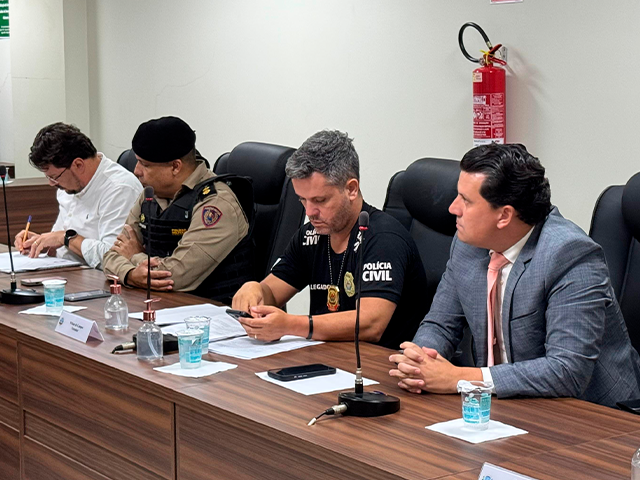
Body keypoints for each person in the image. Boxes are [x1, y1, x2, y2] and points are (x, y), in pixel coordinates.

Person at [389, 143, 640, 407]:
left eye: (466, 200)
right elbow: (440, 324)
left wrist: (458, 379)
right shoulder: (467, 245)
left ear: (504, 216)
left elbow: (567, 370)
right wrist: (419, 363)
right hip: (504, 404)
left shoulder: (569, 254)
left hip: (589, 414)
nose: (453, 208)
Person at [232, 130, 428, 349]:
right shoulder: (311, 235)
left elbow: (370, 324)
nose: (310, 212)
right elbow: (271, 292)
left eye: (320, 200)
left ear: (351, 189)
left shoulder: (384, 238)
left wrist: (291, 325)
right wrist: (254, 290)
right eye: (303, 200)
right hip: (326, 354)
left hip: (379, 362)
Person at [102, 116, 252, 304]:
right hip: (162, 306)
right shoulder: (150, 195)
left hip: (211, 312)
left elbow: (175, 276)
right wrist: (131, 274)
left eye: (145, 164)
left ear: (175, 166)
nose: (136, 171)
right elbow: (111, 256)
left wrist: (133, 256)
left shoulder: (215, 203)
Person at [14, 122, 142, 269]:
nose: (51, 183)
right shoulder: (69, 186)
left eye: (54, 177)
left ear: (78, 165)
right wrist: (40, 242)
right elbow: (59, 239)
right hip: (66, 270)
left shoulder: (119, 188)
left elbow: (114, 257)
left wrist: (66, 238)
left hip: (98, 277)